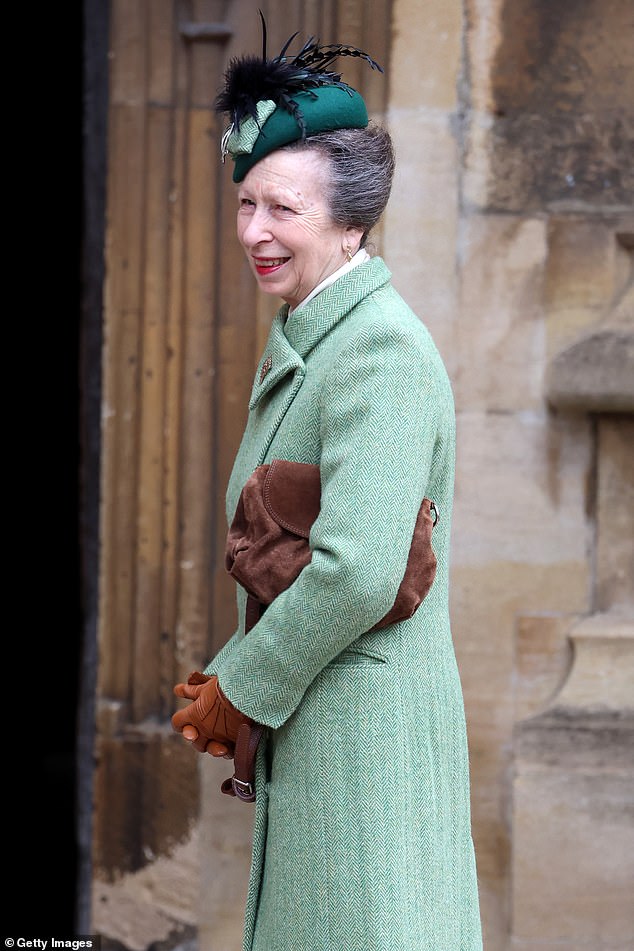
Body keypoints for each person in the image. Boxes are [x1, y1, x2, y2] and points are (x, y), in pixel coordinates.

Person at [171, 21, 483, 951]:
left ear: (352, 223)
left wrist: (241, 687)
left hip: (364, 741)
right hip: (324, 727)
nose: (254, 231)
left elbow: (356, 570)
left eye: (283, 210)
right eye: (246, 204)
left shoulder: (378, 350)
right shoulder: (319, 336)